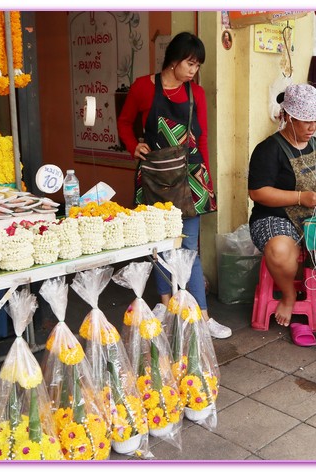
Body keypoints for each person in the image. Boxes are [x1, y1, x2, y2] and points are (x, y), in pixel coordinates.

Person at [117, 32, 231, 339]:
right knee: (158, 247)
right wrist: (132, 147)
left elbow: (202, 137)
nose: (194, 70)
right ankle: (167, 308)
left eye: (198, 65)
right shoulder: (143, 87)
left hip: (190, 177)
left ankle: (202, 316)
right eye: (190, 63)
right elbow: (125, 122)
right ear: (174, 59)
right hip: (154, 175)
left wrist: (205, 178)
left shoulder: (198, 93)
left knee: (188, 249)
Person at [248, 84, 316, 328]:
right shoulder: (269, 149)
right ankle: (288, 294)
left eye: (314, 120)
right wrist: (300, 198)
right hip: (275, 217)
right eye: (305, 120)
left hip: (314, 216)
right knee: (279, 250)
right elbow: (258, 192)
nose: (311, 127)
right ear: (287, 117)